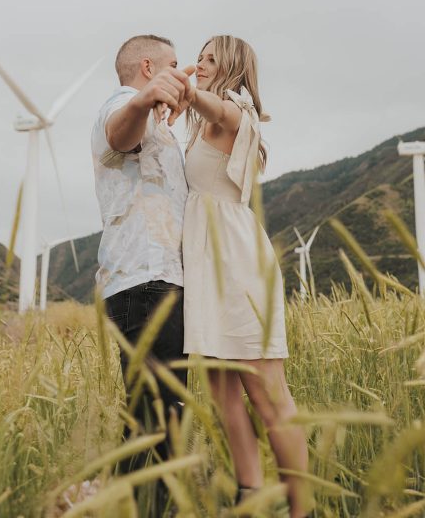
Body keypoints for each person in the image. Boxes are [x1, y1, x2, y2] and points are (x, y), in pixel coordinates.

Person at [170, 35, 311, 518]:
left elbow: (218, 111)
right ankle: (251, 499)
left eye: (211, 59)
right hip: (206, 263)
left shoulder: (234, 111)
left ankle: (302, 508)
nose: (200, 63)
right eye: (200, 56)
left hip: (235, 260)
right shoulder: (199, 125)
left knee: (267, 393)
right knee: (222, 391)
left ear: (230, 68)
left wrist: (188, 92)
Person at [90, 34, 193, 517]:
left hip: (160, 281)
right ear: (147, 67)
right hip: (144, 282)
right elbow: (119, 134)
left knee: (157, 415)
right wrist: (148, 97)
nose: (183, 70)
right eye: (174, 63)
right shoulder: (123, 106)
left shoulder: (157, 120)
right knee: (158, 417)